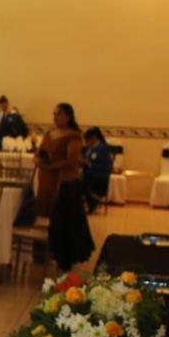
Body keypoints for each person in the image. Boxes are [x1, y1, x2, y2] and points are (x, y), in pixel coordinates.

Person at [35, 102, 94, 271]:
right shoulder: (49, 133)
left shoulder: (73, 136)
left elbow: (71, 160)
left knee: (60, 218)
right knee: (42, 213)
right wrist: (38, 160)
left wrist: (50, 167)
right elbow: (40, 152)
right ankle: (40, 252)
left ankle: (58, 253)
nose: (55, 117)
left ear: (68, 117)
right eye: (54, 114)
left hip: (63, 181)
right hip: (46, 180)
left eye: (59, 114)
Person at [81, 127, 113, 214]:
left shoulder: (103, 149)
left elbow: (104, 166)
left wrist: (89, 164)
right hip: (90, 173)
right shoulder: (90, 148)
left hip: (99, 175)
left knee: (80, 182)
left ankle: (92, 202)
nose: (86, 142)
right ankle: (90, 202)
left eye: (87, 140)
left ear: (94, 138)